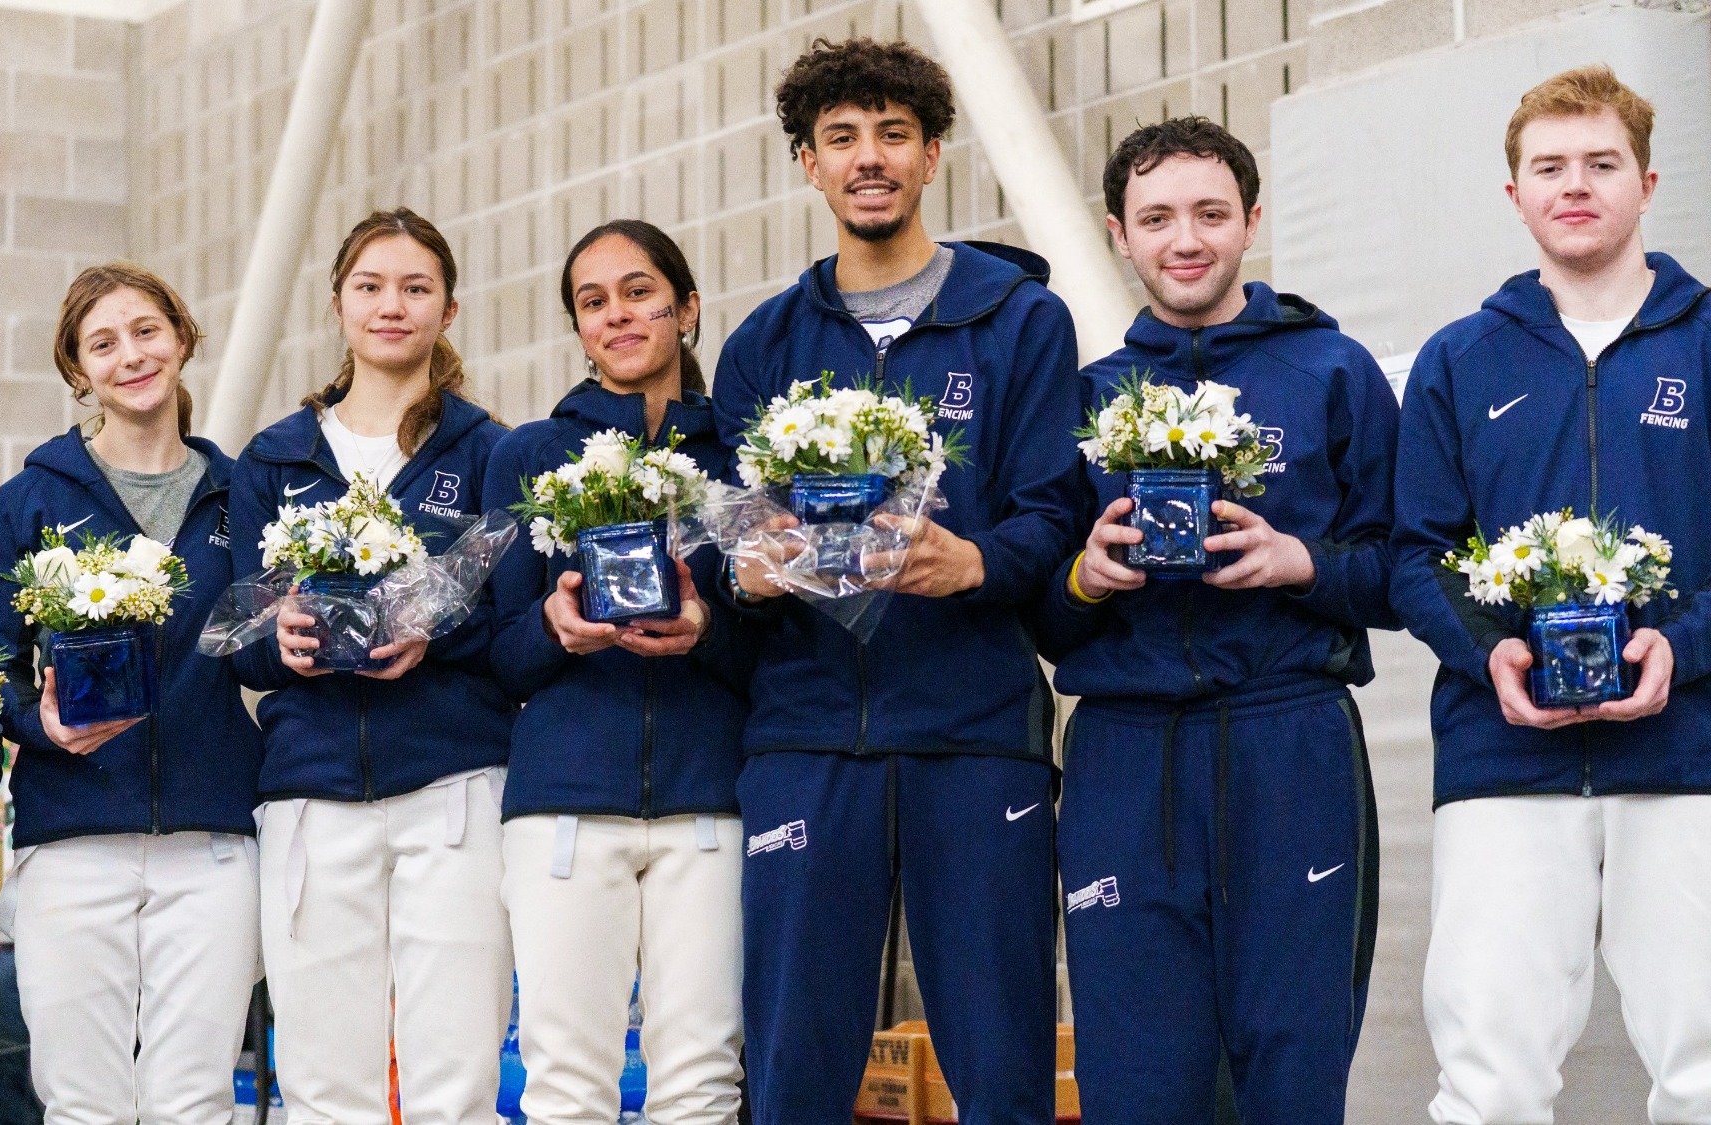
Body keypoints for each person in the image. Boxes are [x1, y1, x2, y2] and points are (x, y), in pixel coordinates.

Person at [711, 37, 1084, 1125]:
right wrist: (748, 571)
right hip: (804, 737)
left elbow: (1051, 510)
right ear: (806, 164)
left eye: (889, 135)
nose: (866, 158)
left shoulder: (1019, 322)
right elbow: (729, 535)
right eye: (840, 139)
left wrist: (975, 562)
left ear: (930, 155)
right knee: (789, 1067)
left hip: (972, 732)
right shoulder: (763, 343)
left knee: (1000, 1058)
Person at [1036, 117, 1398, 1125]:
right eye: (1155, 218)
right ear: (1118, 233)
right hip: (1122, 755)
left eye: (1207, 213)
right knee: (1136, 1076)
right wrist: (1086, 580)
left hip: (1290, 742)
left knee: (1290, 1062)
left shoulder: (1331, 371)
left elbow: (1401, 575)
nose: (1182, 239)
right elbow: (1039, 616)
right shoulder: (1087, 399)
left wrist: (1299, 565)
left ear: (1249, 220)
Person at [1391, 65, 1711, 1124]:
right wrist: (1490, 651)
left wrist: (1685, 645)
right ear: (1514, 194)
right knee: (1487, 1084)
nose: (1573, 185)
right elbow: (1415, 553)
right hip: (1505, 758)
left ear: (1645, 180)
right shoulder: (1457, 359)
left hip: (1689, 757)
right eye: (1548, 167)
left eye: (1599, 164)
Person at [229, 207, 516, 1124]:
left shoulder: (489, 450)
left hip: (454, 784)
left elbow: (509, 621)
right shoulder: (276, 457)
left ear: (450, 308)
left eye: (416, 287)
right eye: (371, 286)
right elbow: (240, 628)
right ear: (339, 305)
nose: (392, 305)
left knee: (457, 1077)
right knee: (321, 1086)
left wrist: (439, 634)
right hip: (313, 792)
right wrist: (286, 642)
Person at [0, 263, 264, 1125]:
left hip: (215, 839)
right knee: (82, 1101)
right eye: (103, 343)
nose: (130, 355)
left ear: (182, 338)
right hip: (73, 839)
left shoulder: (242, 494)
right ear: (78, 371)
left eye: (146, 331)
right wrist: (42, 724)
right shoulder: (27, 502)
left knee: (196, 1097)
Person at [485, 220, 751, 1125]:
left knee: (703, 1080)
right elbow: (495, 648)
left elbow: (783, 641)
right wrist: (556, 629)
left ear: (687, 307)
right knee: (565, 1082)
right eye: (592, 302)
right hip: (563, 805)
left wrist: (707, 628)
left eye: (638, 291)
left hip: (710, 802)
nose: (617, 314)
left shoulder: (741, 456)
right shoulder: (526, 455)